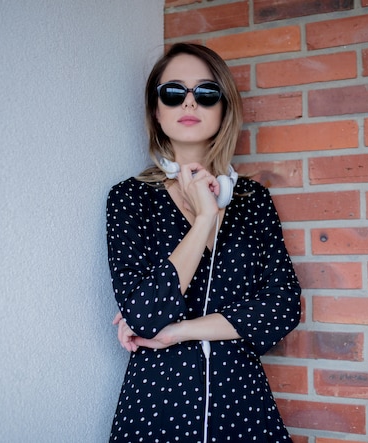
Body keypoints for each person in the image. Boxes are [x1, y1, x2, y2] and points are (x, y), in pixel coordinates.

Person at [105, 42, 301, 442]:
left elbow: (282, 307)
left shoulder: (252, 200)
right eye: (174, 93)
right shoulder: (129, 199)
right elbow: (143, 315)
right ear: (156, 111)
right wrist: (204, 220)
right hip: (159, 403)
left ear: (224, 109)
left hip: (242, 403)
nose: (189, 103)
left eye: (206, 93)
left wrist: (181, 331)